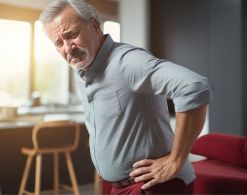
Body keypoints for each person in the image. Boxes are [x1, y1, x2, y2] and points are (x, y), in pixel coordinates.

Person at [40, 0, 212, 194]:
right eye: (58, 43)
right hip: (115, 186)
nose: (68, 47)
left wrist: (175, 160)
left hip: (154, 186)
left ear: (95, 25)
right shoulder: (82, 68)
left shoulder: (128, 62)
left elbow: (194, 87)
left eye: (72, 35)